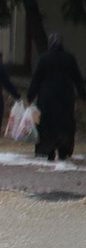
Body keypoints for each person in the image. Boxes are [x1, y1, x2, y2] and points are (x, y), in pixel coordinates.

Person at [26, 33, 86, 161]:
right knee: (64, 125)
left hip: (46, 98)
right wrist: (83, 96)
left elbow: (36, 80)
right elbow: (78, 79)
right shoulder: (69, 58)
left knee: (47, 125)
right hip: (65, 98)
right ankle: (63, 150)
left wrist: (30, 97)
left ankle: (49, 150)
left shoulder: (44, 59)